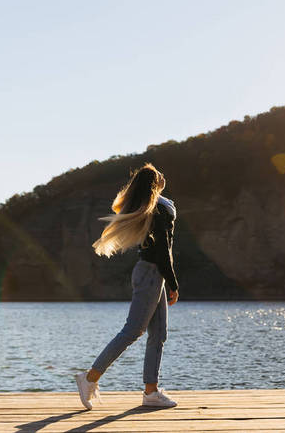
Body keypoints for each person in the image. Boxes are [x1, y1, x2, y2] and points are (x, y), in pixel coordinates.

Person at [75, 163, 179, 409]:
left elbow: (162, 250)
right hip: (152, 273)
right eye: (158, 174)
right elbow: (163, 250)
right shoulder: (158, 210)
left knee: (159, 334)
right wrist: (173, 282)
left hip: (152, 274)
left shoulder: (156, 206)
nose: (163, 174)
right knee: (133, 331)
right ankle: (89, 378)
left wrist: (167, 279)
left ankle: (151, 392)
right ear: (155, 183)